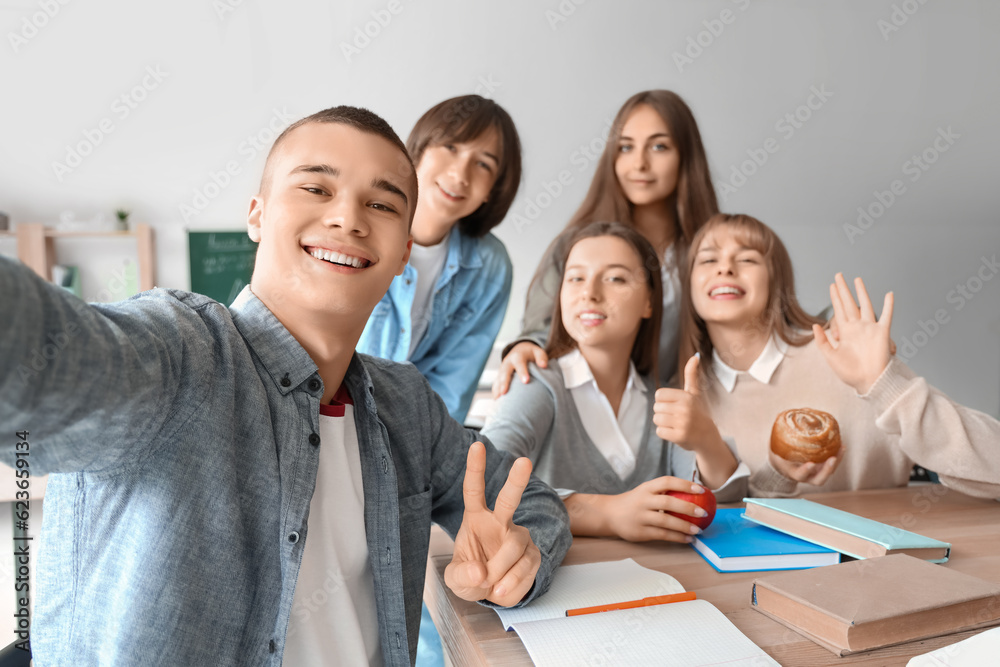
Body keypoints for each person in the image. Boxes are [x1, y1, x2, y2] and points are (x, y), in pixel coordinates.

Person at [0, 106, 572, 666]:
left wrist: (515, 567)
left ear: (403, 253)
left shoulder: (406, 405)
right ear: (256, 215)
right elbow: (44, 354)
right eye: (317, 190)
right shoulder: (181, 352)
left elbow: (536, 504)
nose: (348, 218)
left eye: (380, 203)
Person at [680, 212, 1000, 499]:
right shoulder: (692, 396)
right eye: (708, 260)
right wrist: (778, 475)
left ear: (777, 280)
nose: (725, 267)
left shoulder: (841, 353)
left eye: (747, 259)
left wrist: (883, 384)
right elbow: (733, 528)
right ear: (689, 283)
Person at [482, 222, 748, 543]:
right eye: (576, 278)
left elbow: (727, 497)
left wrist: (706, 439)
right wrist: (606, 514)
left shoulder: (661, 400)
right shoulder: (536, 383)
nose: (590, 293)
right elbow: (483, 479)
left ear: (649, 302)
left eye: (615, 278)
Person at [493, 89, 718, 397]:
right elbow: (540, 330)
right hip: (587, 410)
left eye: (659, 146)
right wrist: (525, 347)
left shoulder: (711, 251)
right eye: (625, 147)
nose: (639, 163)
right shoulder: (577, 243)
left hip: (680, 416)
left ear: (686, 157)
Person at [357, 95, 520, 423]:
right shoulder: (357, 224)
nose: (461, 174)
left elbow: (451, 389)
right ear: (418, 151)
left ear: (493, 188)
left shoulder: (490, 266)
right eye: (452, 147)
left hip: (404, 435)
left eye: (484, 163)